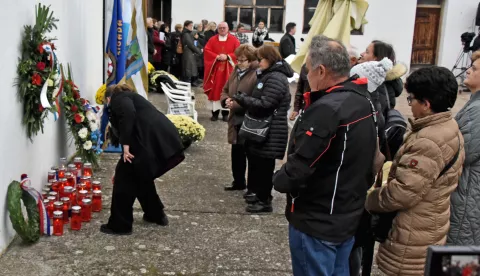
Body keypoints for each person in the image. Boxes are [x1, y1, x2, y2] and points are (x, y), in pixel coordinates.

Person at [273, 35, 378, 276]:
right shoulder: (363, 99)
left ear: (321, 70)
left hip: (318, 219)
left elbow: (301, 165)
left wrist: (279, 179)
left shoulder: (327, 109)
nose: (306, 77)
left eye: (308, 70)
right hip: (347, 212)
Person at [366, 66, 465, 275]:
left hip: (412, 234)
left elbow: (402, 193)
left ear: (426, 104)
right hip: (430, 223)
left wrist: (371, 199)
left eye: (411, 100)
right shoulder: (449, 127)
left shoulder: (428, 141)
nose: (410, 105)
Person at [100, 84, 185, 235]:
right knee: (140, 175)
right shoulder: (131, 97)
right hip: (156, 141)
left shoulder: (119, 98)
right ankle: (155, 215)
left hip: (149, 142)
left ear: (108, 98)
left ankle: (120, 225)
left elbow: (128, 113)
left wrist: (125, 145)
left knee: (123, 179)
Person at [347, 57, 393, 276]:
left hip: (359, 184)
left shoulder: (368, 110)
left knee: (355, 244)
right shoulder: (373, 105)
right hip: (362, 182)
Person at [234, 45, 292, 213]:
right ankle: (259, 195)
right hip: (265, 129)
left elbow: (266, 104)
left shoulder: (275, 78)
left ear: (270, 59)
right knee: (259, 164)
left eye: (261, 59)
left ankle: (264, 200)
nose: (258, 63)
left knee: (265, 167)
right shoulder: (269, 75)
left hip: (270, 130)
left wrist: (244, 99)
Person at [448, 51, 480, 246]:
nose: (467, 71)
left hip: (469, 197)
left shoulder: (478, 111)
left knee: (460, 259)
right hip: (469, 194)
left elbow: (460, 152)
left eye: (474, 69)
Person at [220, 44, 259, 191]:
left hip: (248, 119)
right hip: (234, 119)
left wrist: (235, 104)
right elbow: (225, 89)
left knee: (249, 154)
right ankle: (238, 181)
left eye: (242, 60)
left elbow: (254, 98)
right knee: (236, 153)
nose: (239, 62)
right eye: (238, 59)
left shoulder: (256, 74)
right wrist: (226, 100)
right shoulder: (235, 71)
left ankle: (252, 187)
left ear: (250, 60)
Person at [203, 22, 240, 121]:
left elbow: (238, 52)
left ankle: (225, 114)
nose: (222, 29)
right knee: (215, 90)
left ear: (228, 28)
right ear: (217, 29)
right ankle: (214, 114)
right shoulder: (212, 39)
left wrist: (227, 56)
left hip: (229, 69)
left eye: (224, 28)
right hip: (215, 70)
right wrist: (216, 56)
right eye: (220, 28)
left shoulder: (234, 40)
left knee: (227, 90)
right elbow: (207, 50)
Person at [181, 20, 202, 85]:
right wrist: (198, 51)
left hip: (189, 52)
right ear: (186, 26)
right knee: (188, 67)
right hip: (188, 52)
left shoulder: (188, 33)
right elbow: (190, 44)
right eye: (190, 26)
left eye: (192, 26)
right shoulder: (186, 34)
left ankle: (190, 81)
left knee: (190, 67)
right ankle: (188, 82)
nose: (191, 27)